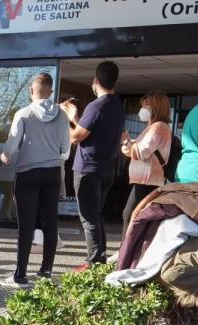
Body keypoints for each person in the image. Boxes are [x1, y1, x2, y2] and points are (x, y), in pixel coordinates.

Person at [0, 72, 70, 288]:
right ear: (50, 91)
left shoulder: (24, 113)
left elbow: (11, 146)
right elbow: (65, 151)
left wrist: (5, 156)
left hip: (27, 173)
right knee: (50, 223)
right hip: (52, 173)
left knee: (26, 225)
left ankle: (20, 275)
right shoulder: (63, 115)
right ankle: (46, 271)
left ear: (32, 91)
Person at [60, 61, 125, 267]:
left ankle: (94, 261)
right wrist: (77, 118)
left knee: (88, 218)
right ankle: (100, 258)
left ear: (95, 81)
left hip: (88, 169)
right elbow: (89, 130)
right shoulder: (117, 105)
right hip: (106, 168)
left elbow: (75, 137)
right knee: (96, 215)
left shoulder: (96, 106)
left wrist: (68, 118)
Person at [119, 91, 172, 236]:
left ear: (156, 108)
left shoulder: (158, 127)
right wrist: (129, 146)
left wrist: (128, 145)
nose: (142, 111)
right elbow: (138, 149)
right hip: (147, 178)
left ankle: (127, 251)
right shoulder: (155, 127)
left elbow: (143, 151)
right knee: (135, 215)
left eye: (146, 107)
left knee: (131, 214)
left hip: (148, 179)